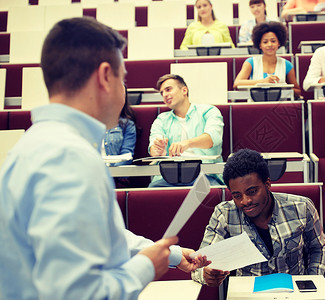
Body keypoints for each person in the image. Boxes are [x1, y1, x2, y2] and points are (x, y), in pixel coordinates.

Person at [0, 17, 209, 300]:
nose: (125, 90)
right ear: (104, 76)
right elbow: (80, 294)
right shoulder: (68, 156)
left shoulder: (41, 144)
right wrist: (146, 267)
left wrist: (167, 254)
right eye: (122, 79)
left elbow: (93, 234)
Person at [191, 148, 325, 287]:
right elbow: (200, 263)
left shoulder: (301, 207)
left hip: (294, 290)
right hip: (247, 293)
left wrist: (313, 283)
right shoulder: (224, 214)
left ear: (267, 184)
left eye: (252, 192)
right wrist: (205, 273)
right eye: (237, 195)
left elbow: (318, 248)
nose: (245, 201)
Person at [148, 74, 224, 187]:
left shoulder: (209, 111)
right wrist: (157, 150)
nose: (164, 95)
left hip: (204, 174)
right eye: (162, 93)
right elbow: (153, 148)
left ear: (184, 90)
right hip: (168, 177)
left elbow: (212, 139)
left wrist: (187, 143)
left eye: (168, 89)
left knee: (213, 193)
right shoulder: (161, 120)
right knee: (150, 194)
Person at [234, 21, 302, 98]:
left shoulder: (287, 65)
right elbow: (237, 83)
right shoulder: (250, 62)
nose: (269, 45)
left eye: (273, 41)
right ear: (260, 45)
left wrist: (284, 87)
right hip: (255, 105)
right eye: (265, 42)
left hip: (280, 106)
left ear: (279, 43)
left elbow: (298, 91)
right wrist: (263, 82)